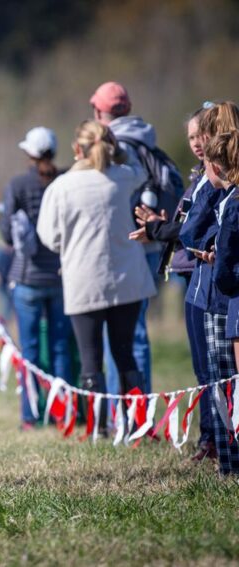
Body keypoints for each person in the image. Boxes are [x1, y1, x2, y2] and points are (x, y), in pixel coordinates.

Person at [36, 120, 156, 432]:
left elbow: (48, 236)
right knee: (125, 354)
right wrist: (118, 153)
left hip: (84, 279)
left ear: (77, 149)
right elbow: (143, 172)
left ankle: (99, 427)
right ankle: (137, 424)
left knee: (91, 359)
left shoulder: (61, 187)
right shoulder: (122, 176)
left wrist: (70, 244)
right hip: (127, 278)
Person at [130, 106, 215, 459]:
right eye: (192, 137)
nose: (197, 143)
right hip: (192, 276)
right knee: (203, 367)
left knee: (216, 367)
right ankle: (211, 437)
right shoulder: (201, 176)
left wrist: (157, 228)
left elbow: (195, 230)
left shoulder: (218, 180)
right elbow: (188, 227)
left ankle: (218, 440)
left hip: (208, 279)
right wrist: (159, 226)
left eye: (203, 136)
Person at [90, 81, 178, 395]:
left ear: (100, 111)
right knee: (132, 333)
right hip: (151, 244)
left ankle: (129, 416)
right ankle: (132, 414)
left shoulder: (120, 146)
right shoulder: (145, 139)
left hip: (129, 247)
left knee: (126, 336)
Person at [0, 126, 72, 430]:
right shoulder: (67, 180)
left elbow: (5, 232)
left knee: (29, 351)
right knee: (60, 349)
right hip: (62, 276)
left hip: (27, 277)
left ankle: (30, 416)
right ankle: (62, 414)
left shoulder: (17, 185)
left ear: (29, 153)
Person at [188, 129, 239, 474]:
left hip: (229, 299)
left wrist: (223, 275)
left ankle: (231, 463)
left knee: (227, 384)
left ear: (218, 167)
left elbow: (222, 254)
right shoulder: (229, 198)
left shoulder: (231, 202)